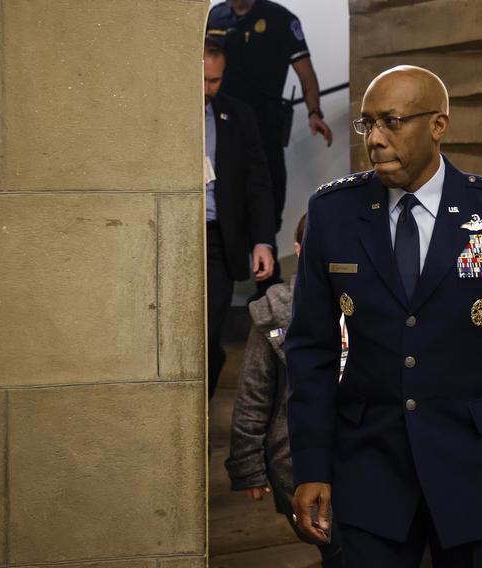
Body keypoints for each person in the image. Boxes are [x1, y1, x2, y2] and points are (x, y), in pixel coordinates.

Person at [285, 66, 482, 567]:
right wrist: (311, 465)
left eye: (392, 122)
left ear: (438, 125)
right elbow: (310, 350)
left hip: (475, 468)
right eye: (367, 125)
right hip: (370, 466)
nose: (376, 140)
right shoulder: (332, 213)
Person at [224, 214, 343, 568]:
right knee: (338, 547)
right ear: (298, 250)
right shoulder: (276, 312)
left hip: (361, 450)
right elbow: (254, 393)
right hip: (296, 457)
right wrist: (249, 466)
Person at [207, 0, 334, 295]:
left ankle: (267, 289)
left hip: (264, 130)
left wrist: (314, 113)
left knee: (267, 201)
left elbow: (306, 74)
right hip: (222, 129)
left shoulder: (279, 18)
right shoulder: (216, 15)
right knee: (225, 203)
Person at [203, 38, 276, 400]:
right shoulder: (162, 120)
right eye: (202, 79)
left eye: (215, 81)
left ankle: (197, 416)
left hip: (218, 240)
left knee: (209, 338)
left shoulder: (237, 115)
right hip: (173, 234)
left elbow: (257, 182)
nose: (207, 88)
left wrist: (262, 241)